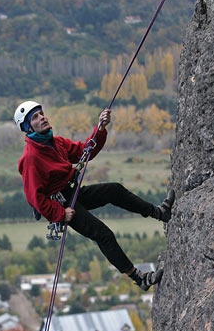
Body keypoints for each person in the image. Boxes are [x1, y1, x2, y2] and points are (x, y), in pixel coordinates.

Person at [15, 100, 175, 291]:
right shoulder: (31, 157)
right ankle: (139, 278)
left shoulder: (55, 142)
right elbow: (34, 197)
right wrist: (59, 214)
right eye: (35, 117)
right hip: (61, 204)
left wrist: (100, 128)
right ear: (27, 127)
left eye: (41, 113)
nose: (42, 117)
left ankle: (159, 213)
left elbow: (85, 150)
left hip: (70, 193)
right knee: (103, 234)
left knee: (114, 190)